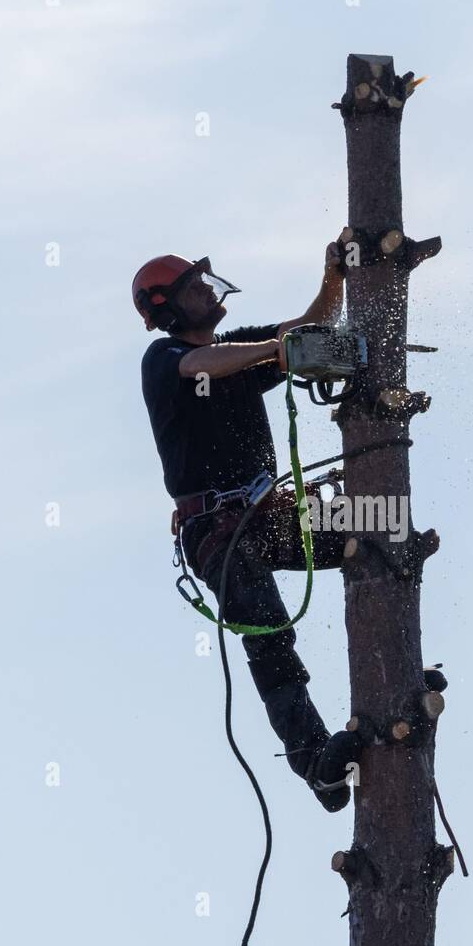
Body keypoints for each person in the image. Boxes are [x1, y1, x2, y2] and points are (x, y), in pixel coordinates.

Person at [135, 239, 363, 811]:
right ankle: (319, 767)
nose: (209, 291)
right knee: (269, 635)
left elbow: (309, 323)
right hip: (216, 531)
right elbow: (202, 365)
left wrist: (332, 278)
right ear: (168, 309)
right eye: (195, 288)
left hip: (269, 515)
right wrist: (276, 352)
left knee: (374, 530)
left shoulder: (239, 350)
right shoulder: (166, 360)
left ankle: (400, 573)